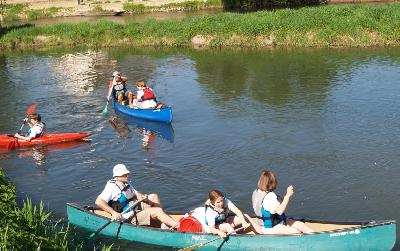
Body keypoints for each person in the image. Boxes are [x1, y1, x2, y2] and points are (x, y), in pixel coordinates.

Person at [95, 164, 178, 229]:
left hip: (134, 207)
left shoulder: (125, 183)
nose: (127, 176)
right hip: (128, 217)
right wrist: (113, 212)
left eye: (127, 174)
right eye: (124, 175)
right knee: (158, 210)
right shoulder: (111, 187)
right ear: (117, 176)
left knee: (154, 196)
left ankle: (163, 222)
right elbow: (98, 201)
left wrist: (143, 197)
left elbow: (136, 194)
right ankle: (178, 226)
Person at [252, 170, 314, 234]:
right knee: (296, 232)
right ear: (272, 183)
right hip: (270, 227)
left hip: (267, 222)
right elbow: (279, 211)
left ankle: (315, 237)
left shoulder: (256, 192)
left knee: (301, 225)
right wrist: (288, 195)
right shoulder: (270, 196)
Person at [199, 189, 268, 238]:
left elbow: (237, 211)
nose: (221, 203)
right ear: (212, 202)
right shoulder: (210, 212)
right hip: (214, 227)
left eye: (222, 200)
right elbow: (212, 229)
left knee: (245, 216)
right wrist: (219, 233)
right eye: (218, 202)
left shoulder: (226, 201)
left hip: (224, 220)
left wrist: (243, 222)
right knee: (227, 226)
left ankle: (259, 232)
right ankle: (237, 241)